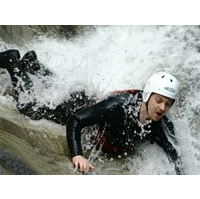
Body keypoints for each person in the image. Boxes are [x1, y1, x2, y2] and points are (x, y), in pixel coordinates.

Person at [0, 49, 184, 175]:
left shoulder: (162, 124)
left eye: (168, 104)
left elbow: (174, 153)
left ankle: (34, 66)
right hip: (75, 106)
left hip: (91, 101)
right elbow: (75, 121)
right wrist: (78, 155)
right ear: (147, 96)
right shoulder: (119, 107)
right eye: (159, 101)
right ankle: (12, 62)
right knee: (30, 109)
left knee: (55, 91)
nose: (162, 108)